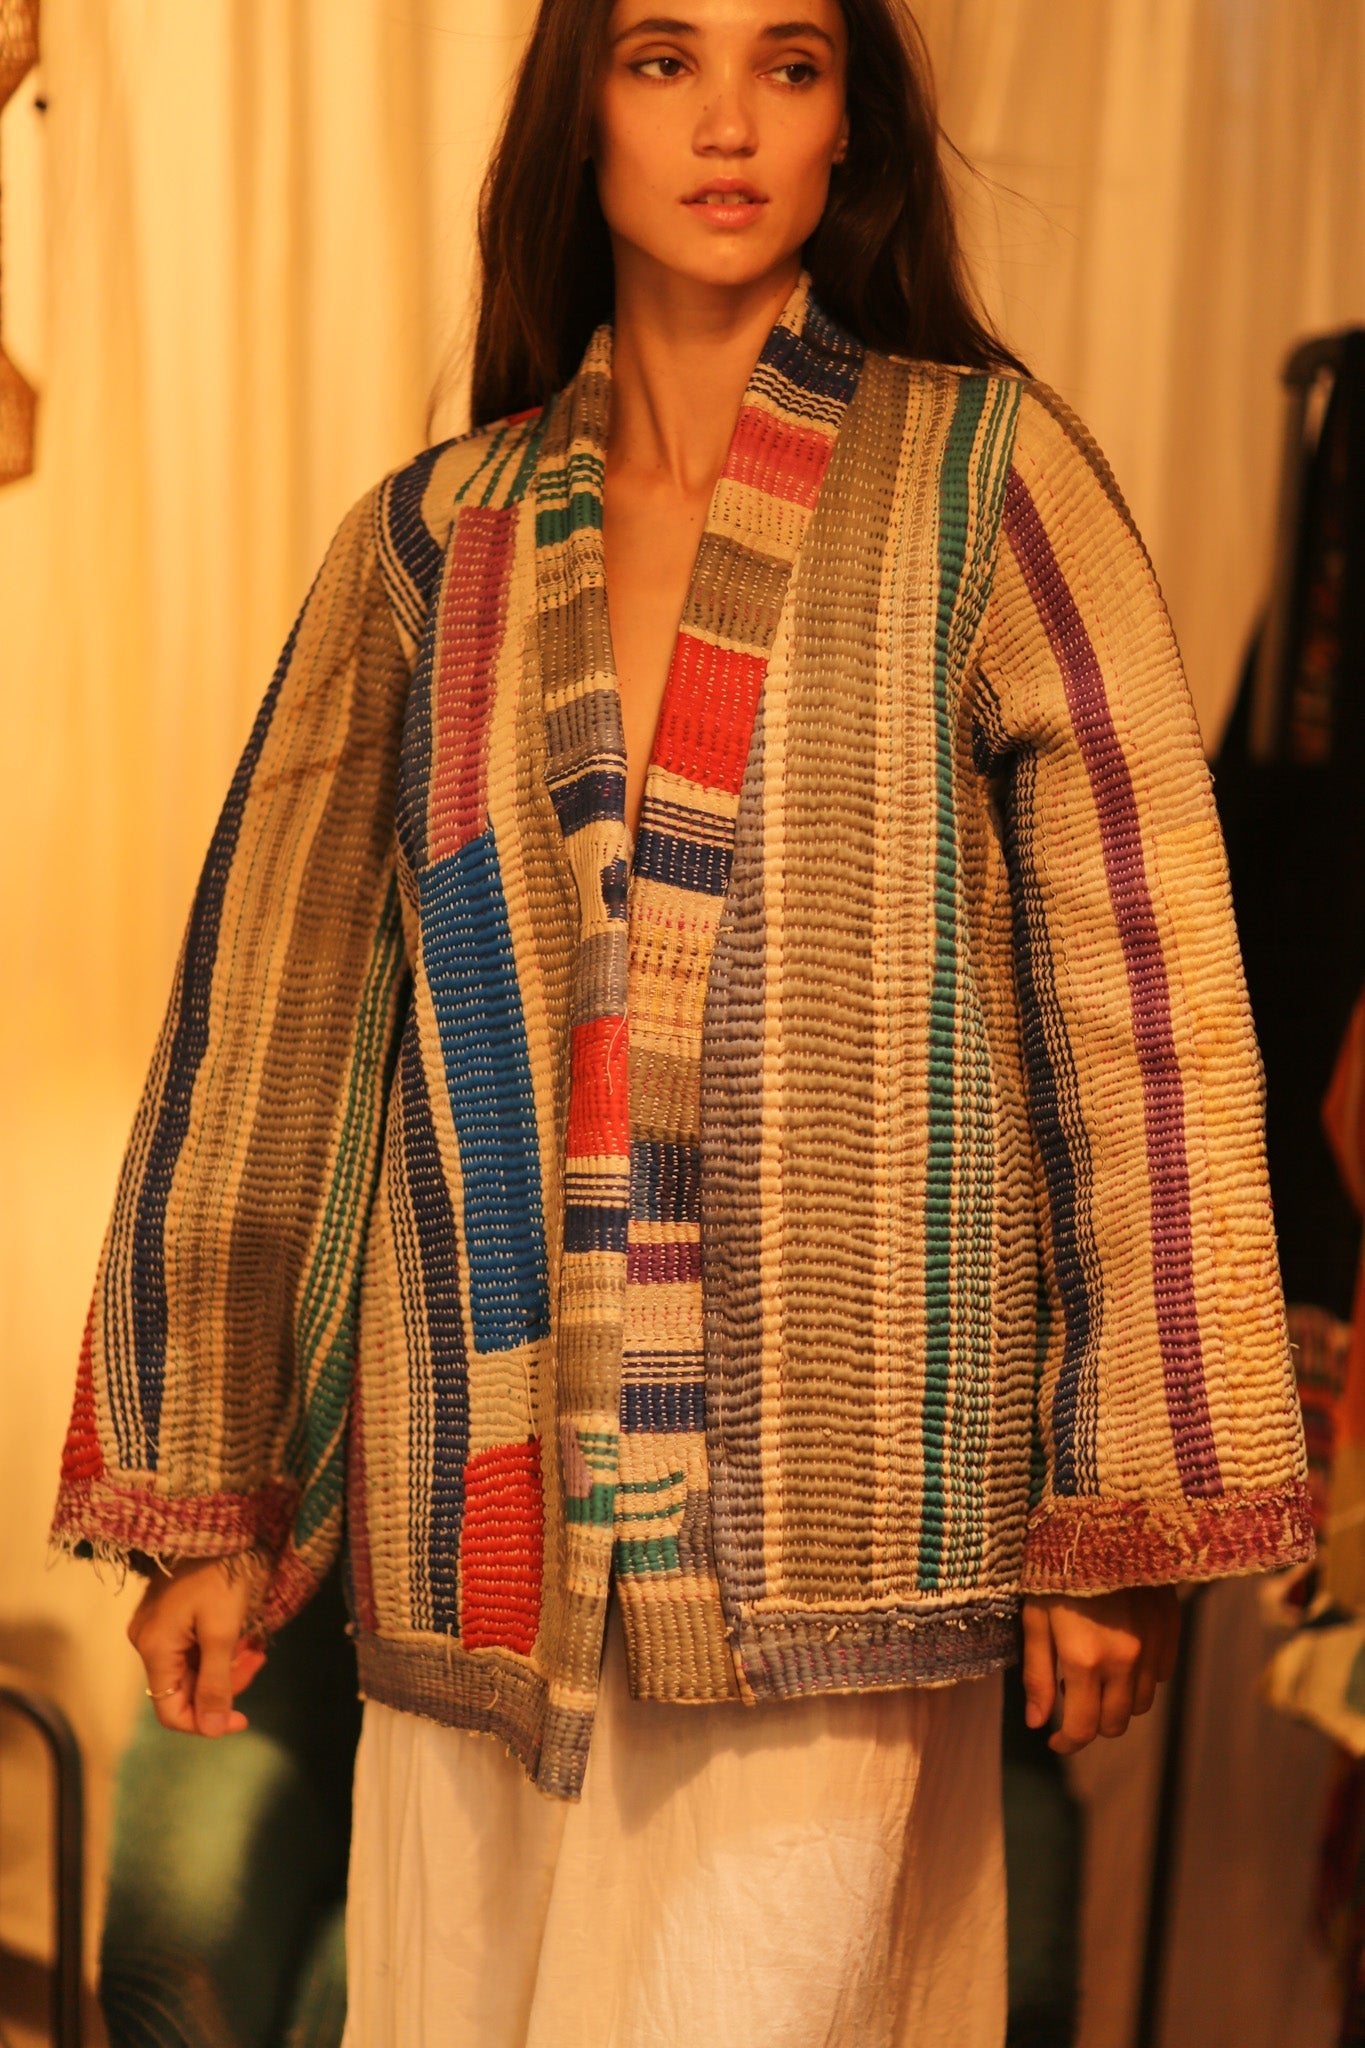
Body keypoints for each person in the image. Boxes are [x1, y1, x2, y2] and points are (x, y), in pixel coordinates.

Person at [51, 1, 1313, 2042]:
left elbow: (1143, 1009)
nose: (727, 121)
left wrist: (1123, 1504)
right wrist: (207, 1487)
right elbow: (273, 1019)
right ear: (582, 116)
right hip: (482, 1552)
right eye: (661, 60)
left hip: (843, 1528)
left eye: (787, 65)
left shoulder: (986, 482)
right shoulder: (429, 541)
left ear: (847, 127)